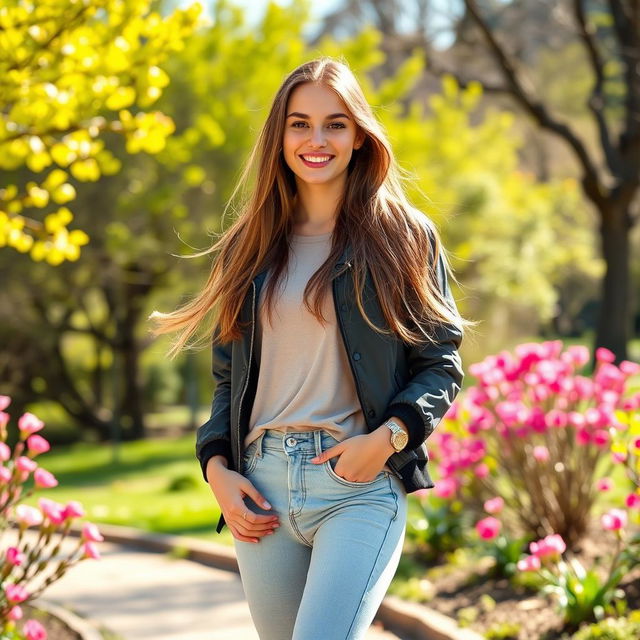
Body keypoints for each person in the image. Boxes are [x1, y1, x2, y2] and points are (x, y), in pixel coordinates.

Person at [150, 57, 468, 640]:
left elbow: (440, 360)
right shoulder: (247, 248)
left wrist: (388, 439)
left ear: (359, 137)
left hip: (357, 484)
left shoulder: (403, 236)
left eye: (335, 124)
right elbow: (230, 381)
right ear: (279, 135)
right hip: (261, 491)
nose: (316, 140)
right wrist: (216, 467)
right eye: (299, 124)